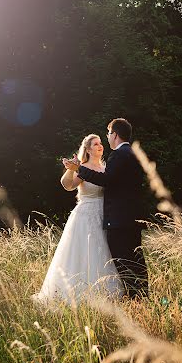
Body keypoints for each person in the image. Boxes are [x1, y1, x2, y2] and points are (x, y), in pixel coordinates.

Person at [32, 134, 124, 305]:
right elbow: (67, 186)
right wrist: (71, 168)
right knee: (82, 251)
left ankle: (104, 293)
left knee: (102, 251)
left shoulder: (106, 169)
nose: (100, 146)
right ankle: (76, 292)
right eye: (95, 144)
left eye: (101, 143)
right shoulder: (83, 168)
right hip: (85, 215)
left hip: (104, 214)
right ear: (88, 149)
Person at [64, 118, 148, 299]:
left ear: (115, 135)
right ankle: (141, 295)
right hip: (130, 216)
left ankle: (135, 297)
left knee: (123, 260)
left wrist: (79, 167)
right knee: (135, 259)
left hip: (119, 218)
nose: (106, 139)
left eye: (108, 135)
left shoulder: (117, 155)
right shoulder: (134, 153)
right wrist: (76, 169)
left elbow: (106, 180)